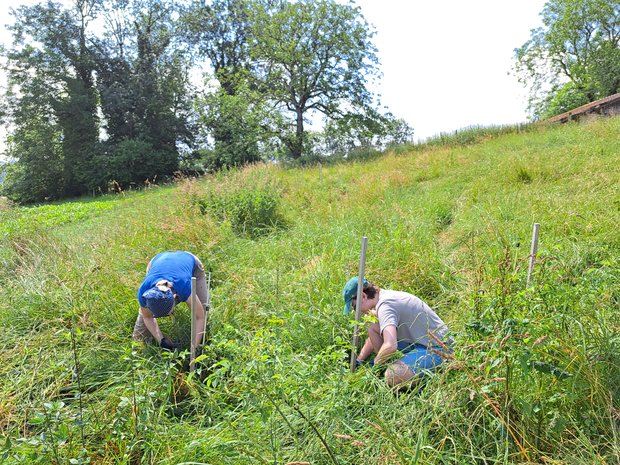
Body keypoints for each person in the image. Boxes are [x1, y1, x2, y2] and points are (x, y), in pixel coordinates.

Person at [343, 277, 451, 387]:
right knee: (371, 323)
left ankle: (425, 377)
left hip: (438, 349)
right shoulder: (383, 298)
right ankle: (388, 366)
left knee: (393, 375)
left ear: (363, 296)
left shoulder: (386, 306)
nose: (357, 312)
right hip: (419, 343)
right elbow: (374, 334)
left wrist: (374, 368)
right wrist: (359, 360)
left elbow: (390, 346)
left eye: (355, 307)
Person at [133, 251, 209, 350]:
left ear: (175, 297)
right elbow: (148, 317)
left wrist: (193, 348)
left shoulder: (184, 287)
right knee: (140, 330)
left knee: (203, 309)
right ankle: (137, 351)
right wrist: (161, 340)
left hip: (191, 262)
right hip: (157, 261)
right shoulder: (144, 292)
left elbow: (199, 318)